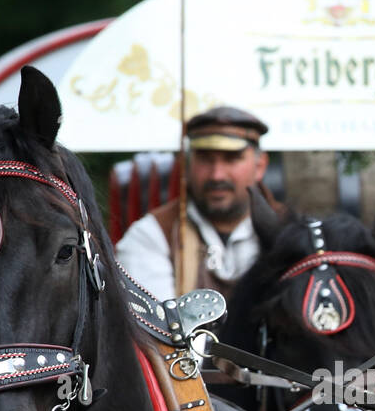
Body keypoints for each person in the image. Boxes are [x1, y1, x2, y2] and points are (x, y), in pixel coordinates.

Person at [115, 106, 270, 301]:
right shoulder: (151, 235)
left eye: (231, 159)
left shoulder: (289, 235)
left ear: (260, 166)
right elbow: (151, 327)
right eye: (205, 159)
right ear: (186, 164)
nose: (217, 175)